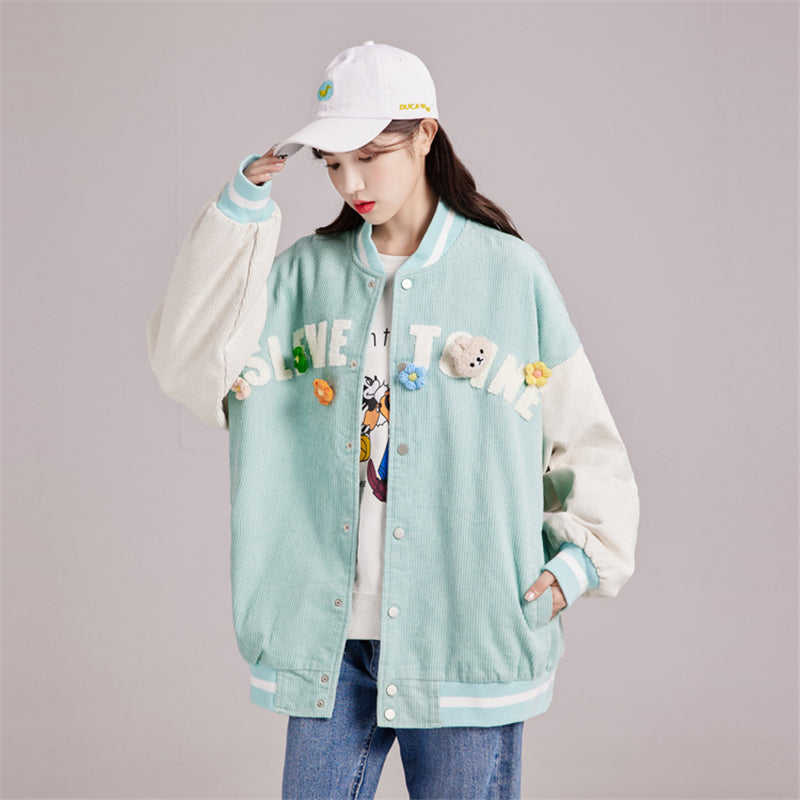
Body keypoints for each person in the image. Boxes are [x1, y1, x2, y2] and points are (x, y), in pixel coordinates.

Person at [146, 40, 640, 800]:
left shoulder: (510, 275)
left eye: (369, 157)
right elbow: (185, 361)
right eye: (332, 164)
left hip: (467, 632)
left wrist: (576, 566)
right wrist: (237, 216)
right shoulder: (299, 279)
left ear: (425, 135)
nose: (350, 183)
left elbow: (587, 440)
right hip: (328, 641)